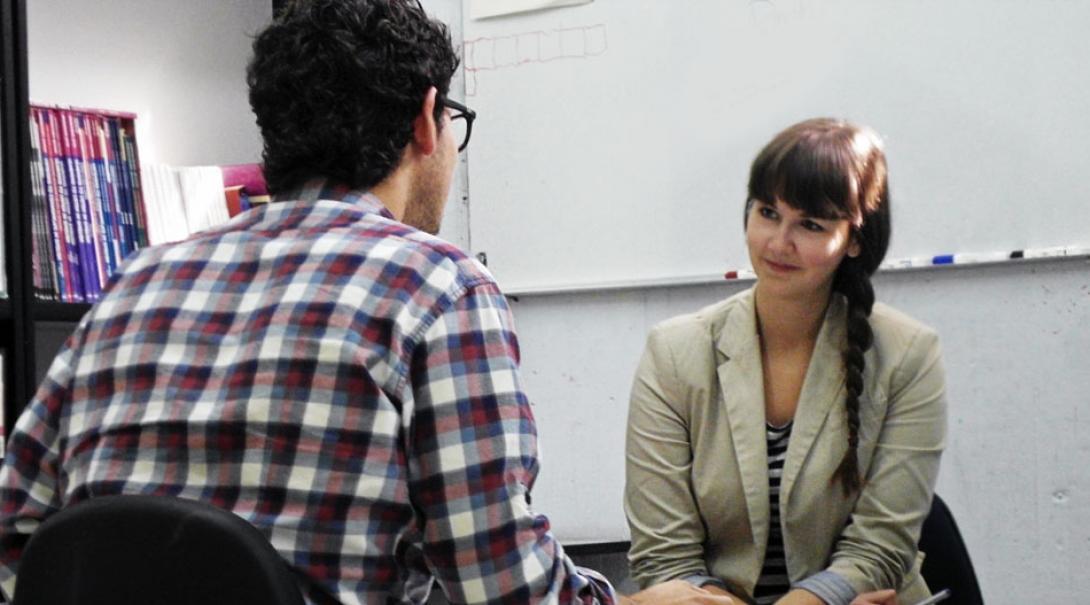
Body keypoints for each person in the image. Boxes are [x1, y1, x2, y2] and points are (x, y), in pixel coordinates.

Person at [0, 2, 736, 604]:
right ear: (427, 118)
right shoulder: (438, 289)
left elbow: (16, 533)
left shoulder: (132, 285)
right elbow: (504, 587)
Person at [624, 118, 948, 605]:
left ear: (855, 239)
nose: (778, 242)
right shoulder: (673, 352)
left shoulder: (908, 354)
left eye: (811, 225)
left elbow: (880, 548)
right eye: (768, 212)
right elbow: (664, 554)